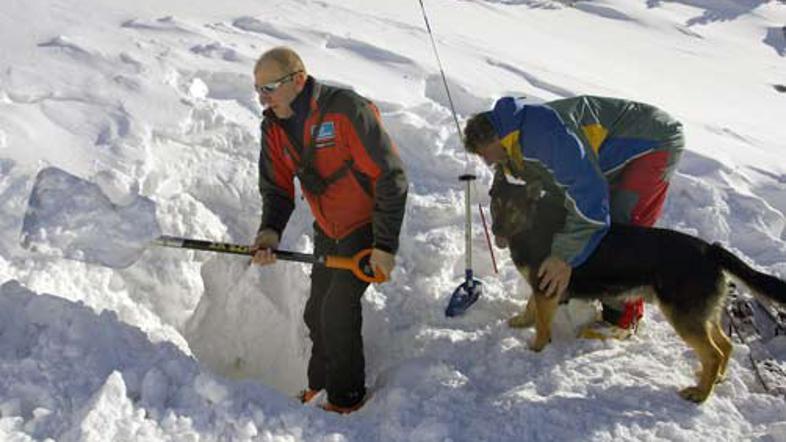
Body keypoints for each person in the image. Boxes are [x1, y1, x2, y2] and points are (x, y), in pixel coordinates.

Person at [250, 47, 408, 413]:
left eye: (269, 87)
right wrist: (269, 232)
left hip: (367, 225)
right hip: (329, 229)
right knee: (316, 311)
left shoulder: (346, 111)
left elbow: (391, 176)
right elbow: (276, 188)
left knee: (338, 308)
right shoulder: (273, 127)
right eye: (257, 89)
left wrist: (384, 245)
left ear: (298, 80)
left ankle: (345, 400)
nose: (263, 97)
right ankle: (318, 388)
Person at [464, 95, 684, 339]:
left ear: (495, 137)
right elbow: (560, 188)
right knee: (567, 214)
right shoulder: (512, 139)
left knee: (622, 227)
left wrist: (563, 257)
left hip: (651, 143)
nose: (487, 162)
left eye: (486, 154)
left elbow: (589, 197)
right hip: (609, 152)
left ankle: (622, 319)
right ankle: (566, 290)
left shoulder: (543, 137)